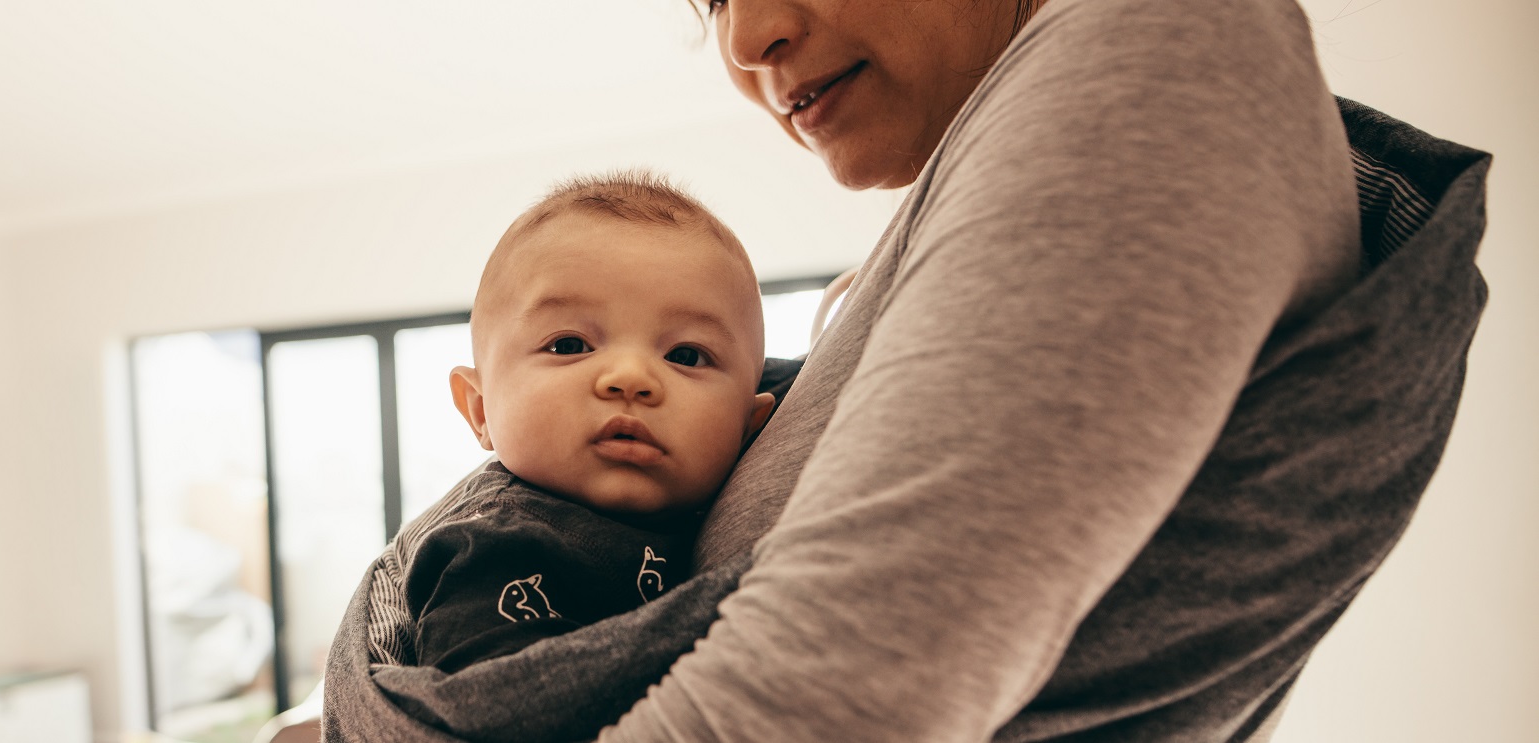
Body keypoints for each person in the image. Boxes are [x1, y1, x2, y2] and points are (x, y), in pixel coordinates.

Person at [324, 0, 1491, 740]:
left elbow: (825, 700)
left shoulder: (1152, 35)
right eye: (711, 0)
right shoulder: (907, 252)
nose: (741, 43)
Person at [375, 171, 778, 675]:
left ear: (750, 428)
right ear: (480, 410)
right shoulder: (493, 547)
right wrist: (753, 596)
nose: (631, 378)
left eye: (687, 355)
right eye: (569, 346)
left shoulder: (725, 513)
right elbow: (500, 706)